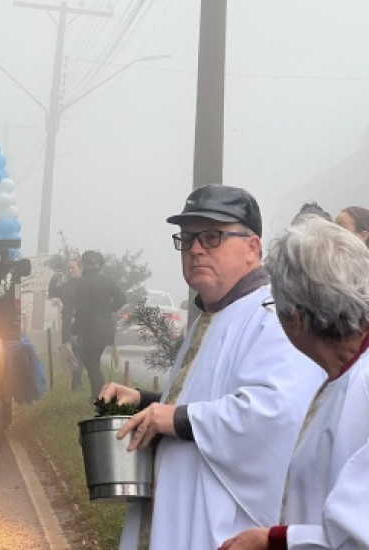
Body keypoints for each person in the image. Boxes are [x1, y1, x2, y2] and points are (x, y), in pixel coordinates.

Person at [98, 184, 324, 550]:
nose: (196, 249)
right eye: (187, 239)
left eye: (212, 236)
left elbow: (278, 413)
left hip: (222, 526)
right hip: (179, 513)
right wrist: (145, 401)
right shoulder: (216, 313)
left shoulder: (274, 314)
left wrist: (170, 418)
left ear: (253, 248)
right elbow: (204, 399)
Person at [219, 215, 369, 550]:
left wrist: (273, 541)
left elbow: (359, 537)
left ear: (294, 317)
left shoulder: (363, 387)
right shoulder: (343, 376)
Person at [73, 250, 126, 397]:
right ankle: (96, 395)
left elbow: (81, 310)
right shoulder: (106, 280)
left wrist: (75, 329)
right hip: (106, 328)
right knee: (93, 361)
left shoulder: (83, 282)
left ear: (83, 264)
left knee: (92, 363)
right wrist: (108, 310)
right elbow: (122, 298)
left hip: (91, 329)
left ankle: (101, 396)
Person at [48, 258, 83, 391]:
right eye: (68, 268)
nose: (70, 271)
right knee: (69, 350)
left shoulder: (83, 284)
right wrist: (54, 280)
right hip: (67, 320)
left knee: (78, 350)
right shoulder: (67, 284)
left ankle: (77, 383)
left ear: (80, 268)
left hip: (79, 320)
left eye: (73, 268)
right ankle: (75, 382)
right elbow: (53, 293)